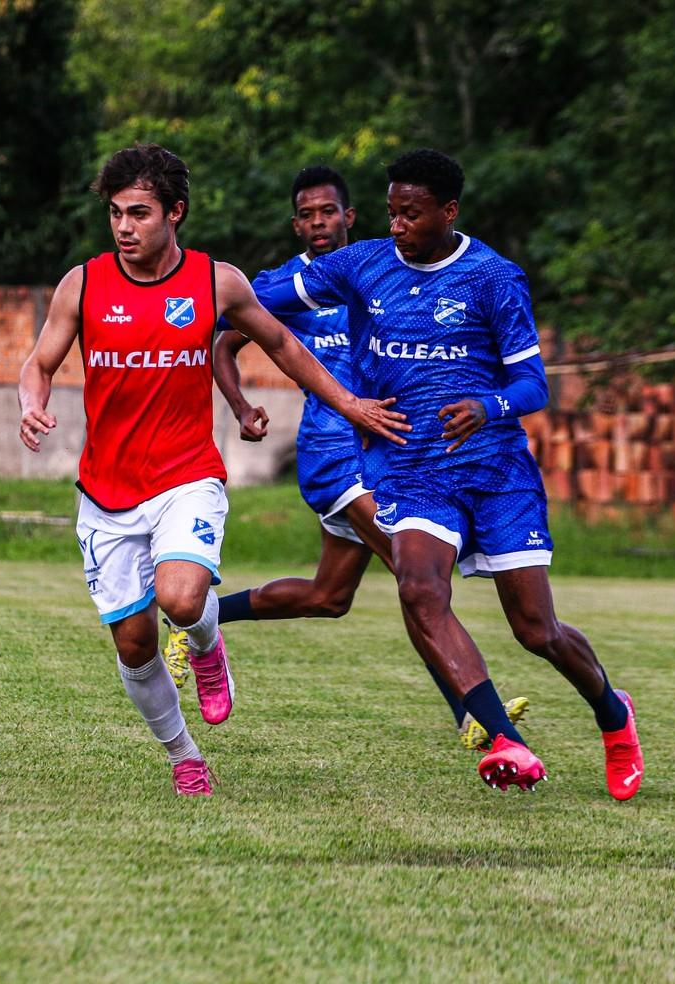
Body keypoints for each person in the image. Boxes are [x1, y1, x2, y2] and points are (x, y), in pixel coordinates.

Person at [252, 148, 643, 799]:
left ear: (448, 211)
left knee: (536, 630)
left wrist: (489, 405)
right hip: (412, 470)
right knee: (419, 588)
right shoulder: (361, 265)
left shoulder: (494, 278)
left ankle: (613, 714)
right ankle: (504, 740)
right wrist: (187, 291)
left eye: (412, 213)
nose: (398, 224)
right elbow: (252, 296)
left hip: (495, 476)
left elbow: (532, 385)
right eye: (391, 211)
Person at [18, 144, 407, 797]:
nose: (123, 228)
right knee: (136, 645)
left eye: (138, 213)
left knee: (180, 597)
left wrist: (346, 403)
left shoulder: (214, 282)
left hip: (186, 476)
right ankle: (184, 755)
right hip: (105, 492)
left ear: (175, 212)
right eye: (115, 214)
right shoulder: (81, 285)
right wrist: (31, 404)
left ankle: (204, 643)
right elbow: (40, 361)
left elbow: (281, 342)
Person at [163, 165, 528, 752]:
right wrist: (239, 405)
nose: (317, 223)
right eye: (305, 215)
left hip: (385, 449)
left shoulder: (376, 273)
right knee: (416, 578)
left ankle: (201, 615)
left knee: (328, 597)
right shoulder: (281, 286)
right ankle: (474, 716)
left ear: (349, 216)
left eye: (327, 212)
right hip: (334, 453)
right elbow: (223, 339)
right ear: (295, 224)